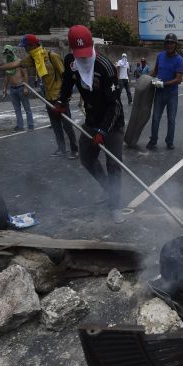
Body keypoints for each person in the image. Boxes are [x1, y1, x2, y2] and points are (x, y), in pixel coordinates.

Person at [57, 25, 126, 224]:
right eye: (78, 54)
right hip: (92, 119)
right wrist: (61, 101)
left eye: (86, 54)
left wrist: (103, 131)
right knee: (86, 158)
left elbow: (115, 106)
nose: (83, 59)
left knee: (113, 164)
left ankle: (115, 205)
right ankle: (108, 189)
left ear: (92, 46)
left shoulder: (105, 67)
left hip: (112, 122)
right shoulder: (71, 62)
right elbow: (67, 83)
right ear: (71, 49)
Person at [0, 34, 78, 158]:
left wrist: (65, 98)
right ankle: (62, 149)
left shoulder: (52, 56)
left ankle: (75, 150)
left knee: (67, 126)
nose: (25, 50)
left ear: (32, 46)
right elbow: (16, 64)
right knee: (56, 126)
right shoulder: (34, 58)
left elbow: (66, 78)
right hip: (48, 98)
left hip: (60, 97)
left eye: (26, 47)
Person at [146, 33, 183, 150]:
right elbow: (155, 71)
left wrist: (163, 84)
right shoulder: (160, 56)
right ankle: (153, 141)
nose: (169, 45)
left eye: (172, 43)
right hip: (159, 93)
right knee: (155, 118)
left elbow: (178, 80)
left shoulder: (179, 60)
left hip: (172, 94)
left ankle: (169, 141)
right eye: (167, 43)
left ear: (175, 45)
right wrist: (146, 77)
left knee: (171, 119)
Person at [0, 46, 33, 131]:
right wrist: (4, 89)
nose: (8, 54)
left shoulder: (19, 62)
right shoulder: (6, 64)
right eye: (6, 53)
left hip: (21, 87)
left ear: (12, 52)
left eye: (9, 52)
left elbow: (25, 74)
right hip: (12, 89)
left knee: (27, 108)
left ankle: (30, 125)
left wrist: (26, 87)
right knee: (17, 109)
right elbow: (6, 77)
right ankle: (20, 126)